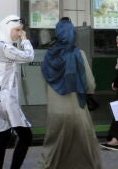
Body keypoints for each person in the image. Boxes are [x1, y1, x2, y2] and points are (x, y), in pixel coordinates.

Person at [38, 17, 101, 169]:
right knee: (86, 150)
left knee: (52, 150)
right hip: (77, 111)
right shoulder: (79, 54)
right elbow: (90, 84)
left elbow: (46, 83)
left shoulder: (48, 56)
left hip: (55, 112)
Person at [0, 15, 34, 169]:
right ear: (7, 29)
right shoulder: (4, 47)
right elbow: (29, 57)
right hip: (6, 100)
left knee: (2, 137)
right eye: (17, 30)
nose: (19, 33)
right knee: (26, 137)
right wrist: (25, 40)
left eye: (21, 31)